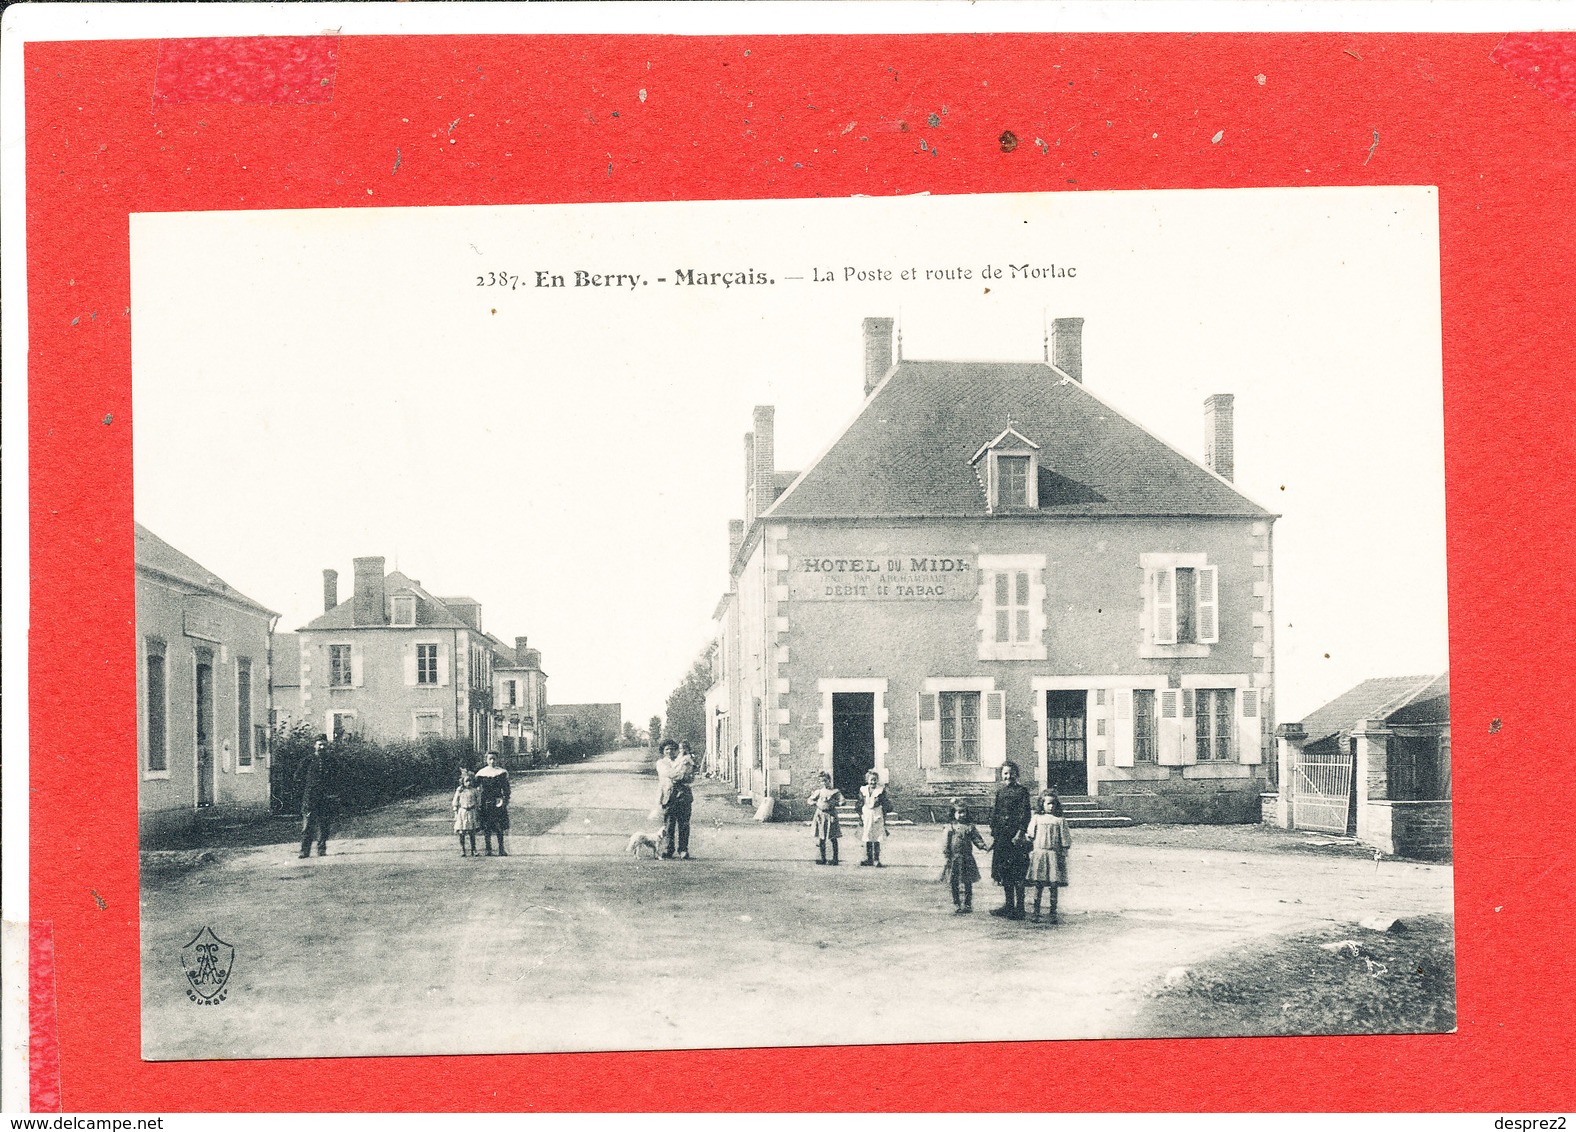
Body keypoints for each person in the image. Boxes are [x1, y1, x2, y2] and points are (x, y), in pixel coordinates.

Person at [989, 760, 1032, 919]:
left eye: (1011, 773)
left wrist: (1020, 832)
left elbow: (1025, 813)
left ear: (1017, 774)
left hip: (1015, 838)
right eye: (1005, 773)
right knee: (1005, 872)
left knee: (1018, 873)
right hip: (1002, 837)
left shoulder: (1022, 792)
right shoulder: (1000, 792)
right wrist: (994, 830)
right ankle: (1008, 905)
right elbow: (995, 812)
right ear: (1002, 776)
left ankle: (1019, 908)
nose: (1008, 776)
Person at [1024, 791, 1072, 923]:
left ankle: (1053, 912)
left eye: (1054, 804)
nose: (1051, 807)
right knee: (1038, 885)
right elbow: (1030, 835)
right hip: (1039, 854)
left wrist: (1063, 853)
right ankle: (1036, 912)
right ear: (1042, 804)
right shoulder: (1037, 818)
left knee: (1053, 885)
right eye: (1048, 803)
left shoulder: (1060, 820)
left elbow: (1065, 840)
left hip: (1053, 856)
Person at [941, 799, 991, 913]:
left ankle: (968, 904)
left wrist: (983, 846)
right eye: (959, 812)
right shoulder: (950, 827)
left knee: (968, 881)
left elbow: (976, 838)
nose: (962, 815)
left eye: (964, 812)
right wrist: (947, 855)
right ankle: (956, 903)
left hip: (967, 858)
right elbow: (945, 843)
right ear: (953, 813)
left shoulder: (970, 827)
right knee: (954, 882)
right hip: (954, 858)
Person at [655, 739, 696, 859]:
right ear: (663, 751)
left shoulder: (683, 760)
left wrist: (686, 775)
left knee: (684, 823)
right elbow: (669, 774)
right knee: (669, 824)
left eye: (672, 749)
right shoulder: (661, 763)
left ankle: (683, 849)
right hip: (669, 795)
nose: (670, 751)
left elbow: (691, 777)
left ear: (676, 750)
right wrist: (683, 775)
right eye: (667, 749)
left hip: (684, 794)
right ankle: (669, 849)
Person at [295, 735, 332, 859]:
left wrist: (334, 793)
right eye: (319, 744)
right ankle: (304, 851)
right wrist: (304, 792)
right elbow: (297, 778)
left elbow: (339, 777)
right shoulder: (307, 761)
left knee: (324, 824)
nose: (322, 747)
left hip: (325, 797)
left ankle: (322, 849)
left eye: (324, 744)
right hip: (310, 797)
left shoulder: (331, 761)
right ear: (314, 745)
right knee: (308, 825)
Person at [474, 750, 512, 857]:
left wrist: (505, 800)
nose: (492, 761)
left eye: (494, 759)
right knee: (487, 826)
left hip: (497, 800)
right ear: (486, 760)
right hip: (485, 801)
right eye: (490, 759)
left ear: (497, 760)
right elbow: (474, 786)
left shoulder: (501, 773)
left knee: (499, 826)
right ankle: (488, 849)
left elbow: (506, 788)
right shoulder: (481, 773)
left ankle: (501, 849)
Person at [806, 772, 844, 865]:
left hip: (831, 815)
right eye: (822, 781)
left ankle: (835, 858)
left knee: (833, 837)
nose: (824, 783)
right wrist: (814, 803)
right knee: (821, 837)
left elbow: (842, 800)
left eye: (825, 781)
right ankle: (823, 858)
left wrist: (838, 803)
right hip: (820, 815)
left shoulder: (835, 791)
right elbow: (810, 800)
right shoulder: (819, 792)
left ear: (829, 781)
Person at [858, 769, 890, 867]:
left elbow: (885, 804)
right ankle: (869, 859)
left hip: (877, 814)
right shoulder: (863, 790)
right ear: (867, 780)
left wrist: (884, 817)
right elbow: (859, 803)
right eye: (871, 780)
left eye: (875, 780)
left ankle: (876, 859)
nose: (873, 782)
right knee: (867, 836)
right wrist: (860, 817)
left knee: (876, 837)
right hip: (866, 813)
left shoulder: (880, 790)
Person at [453, 767, 481, 857]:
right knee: (462, 832)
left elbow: (478, 801)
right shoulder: (460, 790)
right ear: (463, 782)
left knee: (472, 832)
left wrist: (477, 810)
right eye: (466, 781)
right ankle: (463, 850)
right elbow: (455, 801)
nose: (468, 783)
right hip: (463, 812)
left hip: (471, 812)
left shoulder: (474, 791)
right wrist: (455, 812)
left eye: (470, 781)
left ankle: (474, 849)